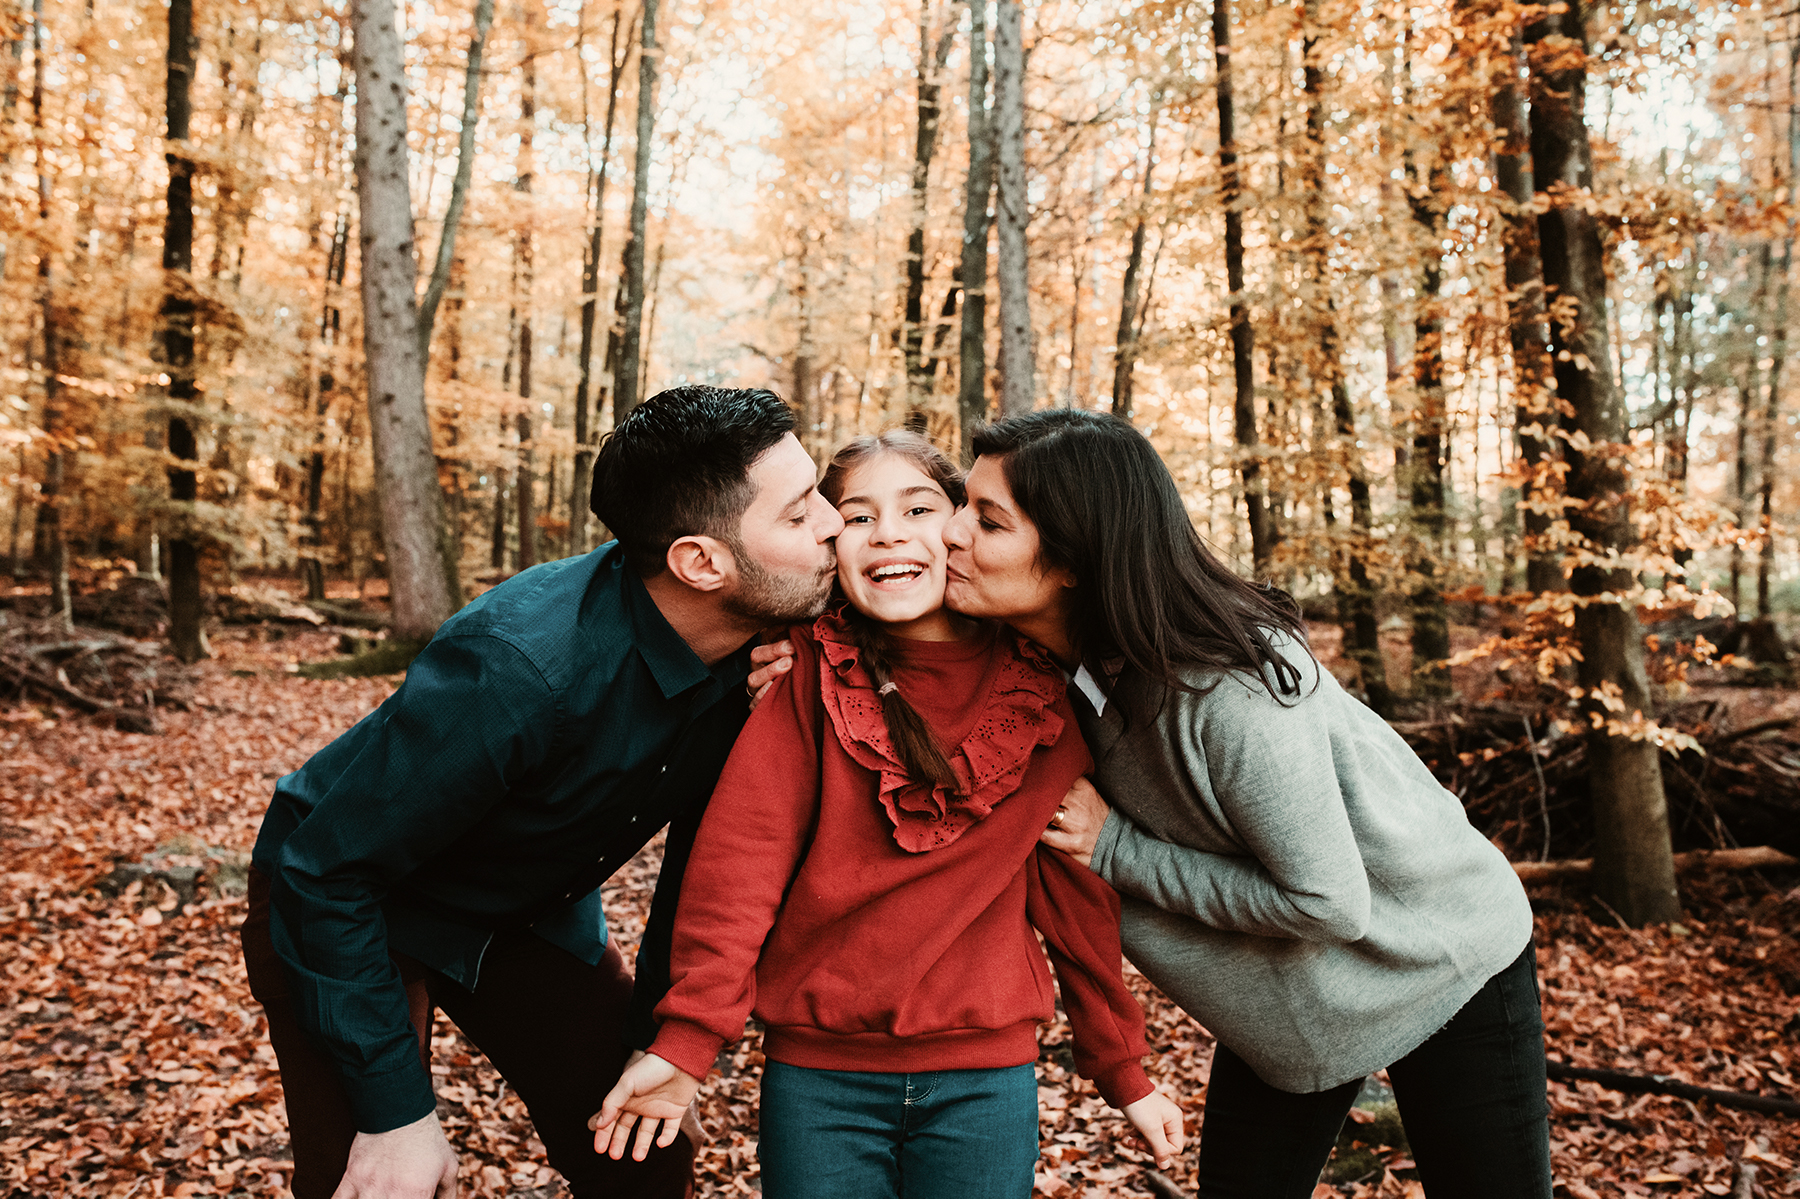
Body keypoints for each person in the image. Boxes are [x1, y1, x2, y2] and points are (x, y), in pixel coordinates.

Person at [239, 386, 844, 1199]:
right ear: (702, 562)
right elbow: (326, 872)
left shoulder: (765, 645)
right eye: (801, 513)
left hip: (525, 908)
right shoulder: (519, 669)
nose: (834, 524)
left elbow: (706, 869)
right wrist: (397, 1116)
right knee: (379, 1183)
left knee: (644, 1151)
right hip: (348, 903)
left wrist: (662, 1044)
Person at [937, 409, 1550, 1199]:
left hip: (1441, 956)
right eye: (962, 503)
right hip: (1288, 999)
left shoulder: (1231, 693)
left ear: (1075, 560)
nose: (951, 532)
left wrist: (1118, 850)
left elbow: (1328, 900)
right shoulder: (1034, 655)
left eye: (986, 519)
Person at [591, 431, 1185, 1199]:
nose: (891, 533)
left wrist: (1123, 1068)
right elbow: (740, 864)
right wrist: (687, 1040)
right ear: (831, 546)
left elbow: (1075, 903)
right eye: (859, 517)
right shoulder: (804, 672)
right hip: (819, 1081)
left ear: (962, 529)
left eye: (918, 508)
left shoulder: (1039, 696)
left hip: (986, 1079)